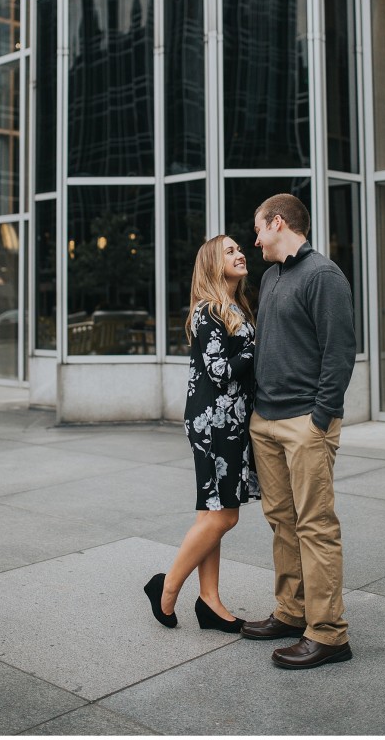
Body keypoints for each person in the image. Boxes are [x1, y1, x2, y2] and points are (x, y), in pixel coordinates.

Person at [240, 194, 356, 670]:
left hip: (305, 423)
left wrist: (320, 417)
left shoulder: (323, 276)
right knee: (282, 522)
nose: (255, 238)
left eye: (258, 229)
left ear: (278, 223)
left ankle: (328, 633)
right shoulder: (270, 277)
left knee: (315, 526)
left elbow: (339, 352)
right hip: (266, 422)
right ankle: (292, 612)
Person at [144, 235, 259, 632]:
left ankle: (209, 601)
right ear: (212, 264)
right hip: (215, 424)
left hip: (229, 421)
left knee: (212, 514)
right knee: (225, 517)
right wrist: (260, 346)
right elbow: (220, 371)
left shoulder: (235, 307)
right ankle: (167, 588)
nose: (240, 253)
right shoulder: (208, 311)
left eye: (239, 248)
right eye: (230, 251)